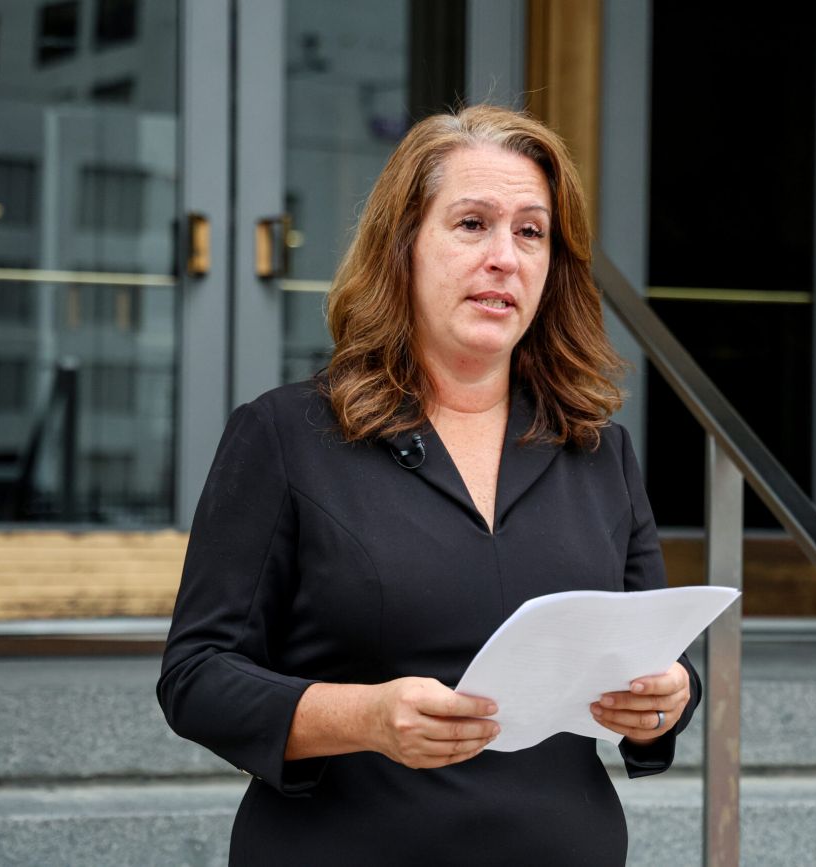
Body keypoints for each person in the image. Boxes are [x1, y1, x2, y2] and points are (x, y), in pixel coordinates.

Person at [157, 104, 701, 866]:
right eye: (472, 224)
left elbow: (650, 661)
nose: (504, 257)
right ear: (403, 246)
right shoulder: (285, 436)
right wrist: (364, 716)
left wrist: (666, 699)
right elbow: (196, 676)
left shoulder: (599, 451)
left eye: (530, 231)